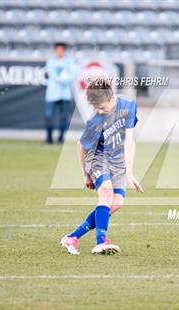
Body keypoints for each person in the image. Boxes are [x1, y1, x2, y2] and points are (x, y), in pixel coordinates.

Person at [60, 78, 144, 255]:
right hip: (98, 159)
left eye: (103, 107)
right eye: (96, 108)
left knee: (117, 203)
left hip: (118, 160)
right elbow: (81, 146)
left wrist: (130, 173)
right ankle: (101, 241)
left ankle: (72, 237)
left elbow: (130, 141)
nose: (99, 111)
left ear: (112, 97)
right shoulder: (95, 121)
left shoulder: (128, 106)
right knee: (106, 194)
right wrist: (85, 174)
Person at [45, 42, 76, 144]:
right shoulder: (50, 62)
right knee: (49, 116)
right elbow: (53, 75)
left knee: (63, 117)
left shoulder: (69, 62)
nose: (60, 52)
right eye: (58, 50)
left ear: (64, 51)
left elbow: (73, 74)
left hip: (65, 94)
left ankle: (61, 138)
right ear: (55, 51)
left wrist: (65, 79)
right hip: (52, 94)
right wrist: (64, 79)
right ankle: (49, 138)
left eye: (61, 50)